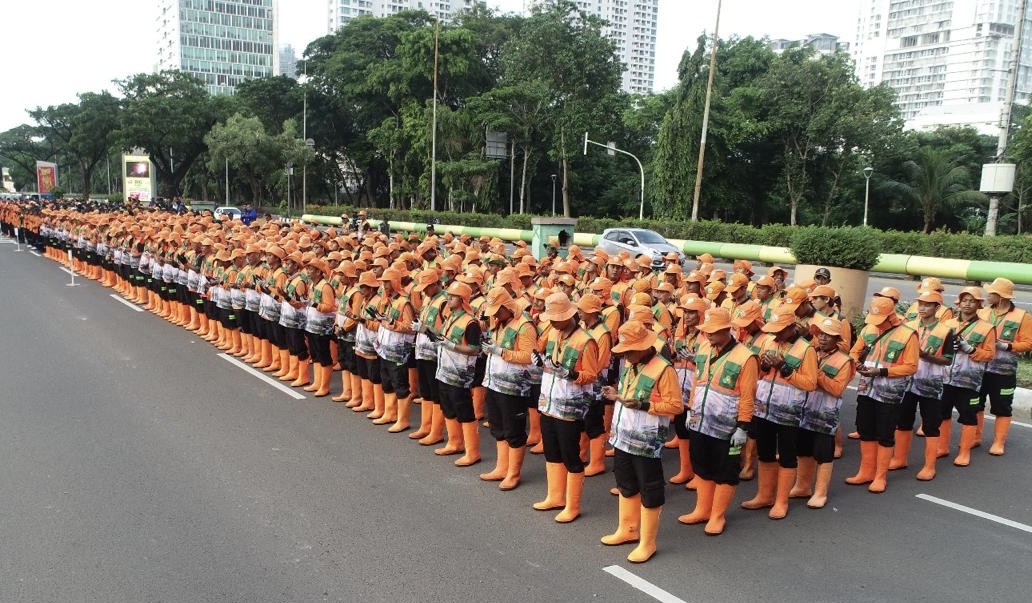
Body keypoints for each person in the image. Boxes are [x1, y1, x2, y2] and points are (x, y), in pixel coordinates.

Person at [599, 321, 683, 563]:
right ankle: (627, 530)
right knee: (626, 483)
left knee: (650, 488)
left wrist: (647, 406)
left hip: (647, 441)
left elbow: (676, 405)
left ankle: (648, 542)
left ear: (645, 347)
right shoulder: (629, 363)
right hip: (624, 436)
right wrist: (616, 396)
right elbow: (630, 394)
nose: (625, 355)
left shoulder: (664, 370)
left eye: (630, 350)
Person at [678, 308, 758, 536]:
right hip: (701, 421)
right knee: (702, 465)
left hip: (728, 427)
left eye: (713, 332)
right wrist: (691, 408)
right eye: (707, 331)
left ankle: (717, 515)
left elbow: (748, 395)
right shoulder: (704, 347)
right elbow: (698, 381)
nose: (709, 335)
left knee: (725, 471)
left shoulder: (746, 357)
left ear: (727, 330)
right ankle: (702, 509)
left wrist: (743, 426)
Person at [740, 308, 817, 520]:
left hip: (789, 412)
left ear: (792, 328)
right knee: (765, 453)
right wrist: (764, 367)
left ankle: (781, 501)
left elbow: (810, 383)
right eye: (773, 331)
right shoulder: (768, 342)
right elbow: (760, 373)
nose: (775, 335)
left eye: (780, 331)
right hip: (764, 408)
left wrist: (784, 367)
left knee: (786, 455)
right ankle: (764, 496)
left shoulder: (806, 350)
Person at [533, 292, 601, 523]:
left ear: (570, 316)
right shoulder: (553, 332)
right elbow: (540, 350)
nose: (552, 322)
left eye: (556, 317)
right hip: (548, 402)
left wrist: (570, 374)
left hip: (570, 408)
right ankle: (555, 496)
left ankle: (572, 505)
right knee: (552, 452)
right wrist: (538, 358)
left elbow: (591, 375)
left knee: (571, 455)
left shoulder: (586, 341)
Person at [847, 296, 919, 493]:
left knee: (885, 433)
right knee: (865, 429)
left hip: (889, 393)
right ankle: (865, 472)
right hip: (866, 388)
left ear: (891, 316)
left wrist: (883, 372)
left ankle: (880, 476)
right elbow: (853, 352)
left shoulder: (907, 335)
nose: (876, 325)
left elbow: (911, 366)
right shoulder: (868, 329)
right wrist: (858, 363)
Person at [480, 287, 540, 490]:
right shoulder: (499, 322)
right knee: (498, 427)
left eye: (498, 310)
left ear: (507, 306)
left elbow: (528, 357)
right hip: (495, 383)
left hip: (514, 388)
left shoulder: (524, 325)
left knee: (513, 430)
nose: (495, 315)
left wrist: (501, 352)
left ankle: (513, 473)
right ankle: (501, 467)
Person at [890, 290, 954, 480]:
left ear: (937, 308)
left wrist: (927, 356)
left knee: (931, 424)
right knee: (903, 420)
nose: (923, 308)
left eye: (928, 304)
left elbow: (948, 360)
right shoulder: (907, 326)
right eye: (921, 304)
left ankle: (929, 466)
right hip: (907, 382)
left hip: (931, 385)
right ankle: (900, 458)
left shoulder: (945, 331)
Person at [793, 316, 854, 508]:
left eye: (829, 335)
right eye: (821, 334)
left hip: (825, 414)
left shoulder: (844, 361)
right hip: (803, 410)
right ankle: (802, 486)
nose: (823, 338)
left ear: (838, 339)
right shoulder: (810, 352)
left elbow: (837, 389)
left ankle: (820, 492)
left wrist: (815, 374)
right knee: (803, 449)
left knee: (823, 453)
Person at [977, 277, 1032, 455]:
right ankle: (975, 437)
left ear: (1000, 296)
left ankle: (999, 442)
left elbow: (1028, 343)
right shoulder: (982, 313)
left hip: (1003, 372)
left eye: (991, 293)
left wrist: (1007, 346)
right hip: (979, 369)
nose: (987, 295)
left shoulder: (1022, 317)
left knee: (1002, 406)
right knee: (975, 403)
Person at [941, 287, 996, 466]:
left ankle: (964, 452)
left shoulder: (987, 328)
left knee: (969, 415)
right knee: (942, 413)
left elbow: (989, 354)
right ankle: (942, 447)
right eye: (964, 300)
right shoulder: (947, 324)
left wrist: (970, 349)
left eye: (972, 301)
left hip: (969, 381)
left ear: (979, 304)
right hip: (945, 377)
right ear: (959, 303)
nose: (967, 304)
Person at [432, 281, 484, 466]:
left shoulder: (471, 322)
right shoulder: (451, 315)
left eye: (453, 296)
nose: (448, 298)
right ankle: (454, 442)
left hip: (460, 374)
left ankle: (473, 451)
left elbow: (475, 349)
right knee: (448, 407)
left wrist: (452, 346)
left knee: (464, 412)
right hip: (444, 370)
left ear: (462, 299)